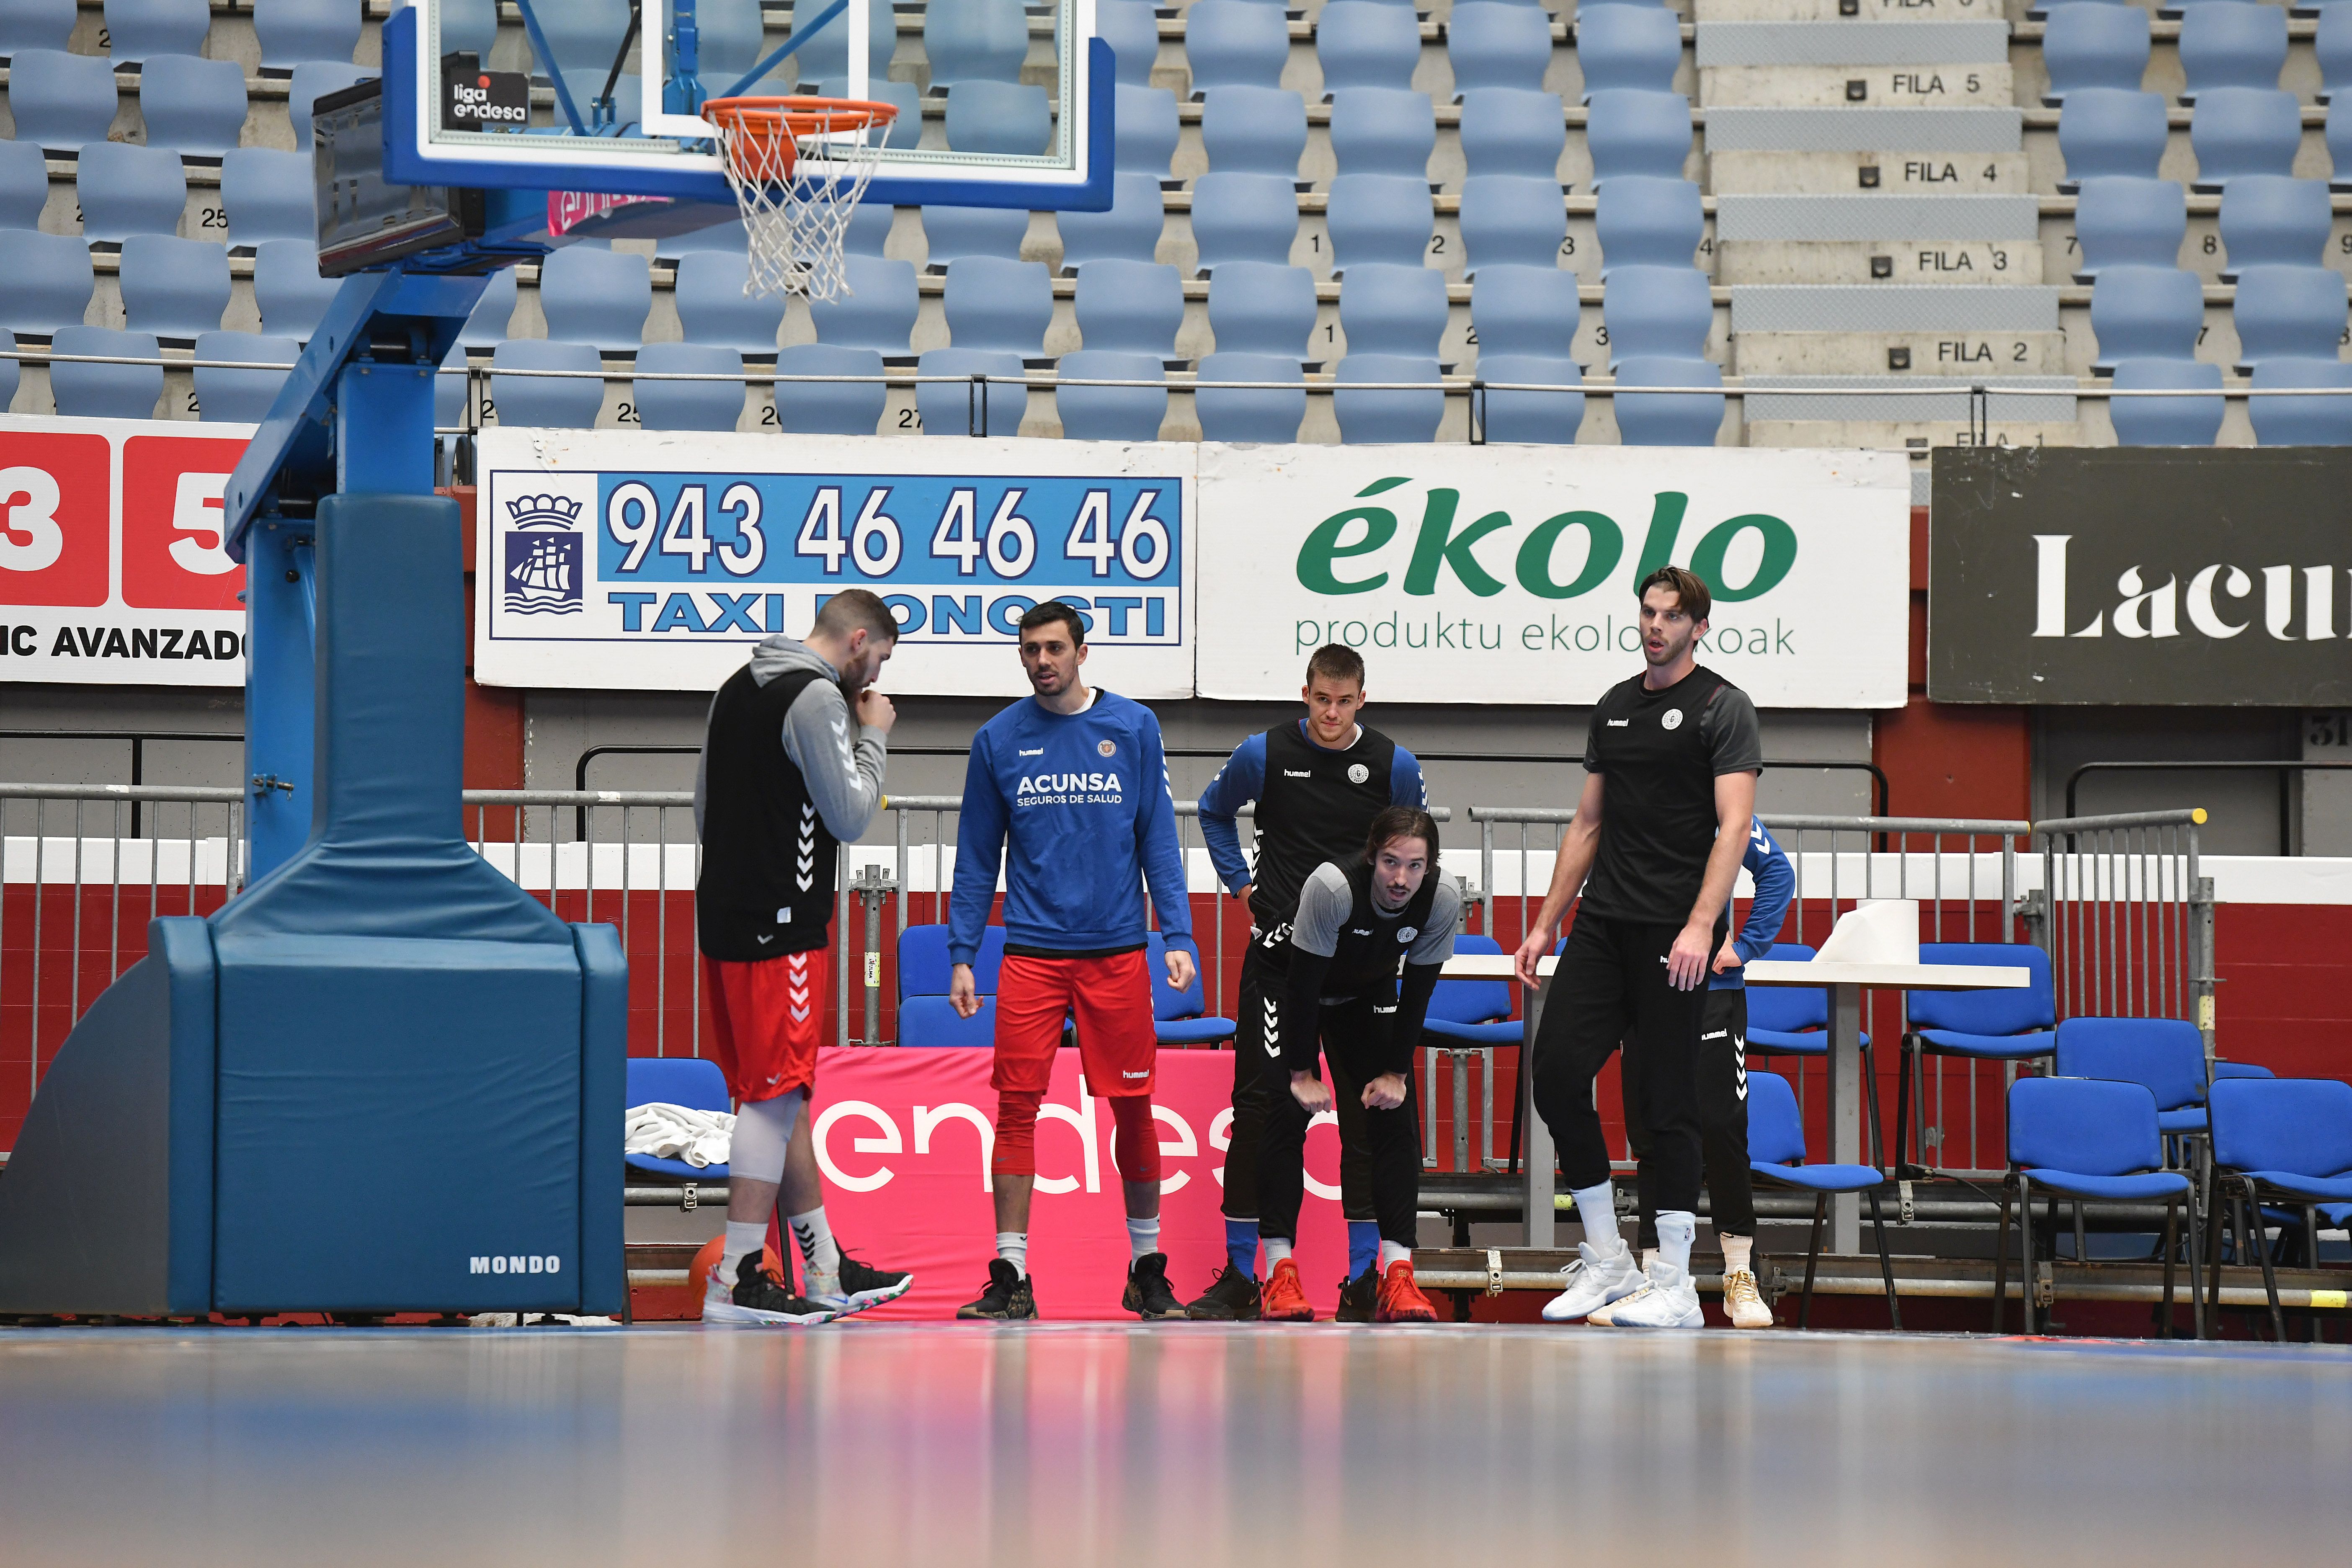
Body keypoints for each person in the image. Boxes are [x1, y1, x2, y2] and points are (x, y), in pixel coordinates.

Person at [1512, 565, 1763, 1331]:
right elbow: (1587, 824)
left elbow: (1733, 828)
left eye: (1670, 615)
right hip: (1602, 923)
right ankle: (1608, 1259)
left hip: (1673, 930)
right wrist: (1545, 920)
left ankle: (1679, 1285)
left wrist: (1701, 924)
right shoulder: (1614, 707)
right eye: (1648, 613)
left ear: (1698, 626)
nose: (1654, 625)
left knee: (1666, 1104)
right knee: (1555, 1074)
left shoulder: (1725, 709)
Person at [947, 601, 1201, 1322]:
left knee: (1135, 1106)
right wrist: (964, 951)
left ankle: (1147, 1267)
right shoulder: (998, 739)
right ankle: (1010, 1273)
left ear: (1082, 652)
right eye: (1029, 649)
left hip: (1117, 952)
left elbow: (1157, 837)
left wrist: (1177, 934)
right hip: (1029, 952)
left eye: (1054, 648)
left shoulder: (1133, 727)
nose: (1041, 660)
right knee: (1016, 1108)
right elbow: (975, 856)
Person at [1186, 644, 1429, 1323]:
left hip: (1360, 968)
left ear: (1361, 699)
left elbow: (1414, 844)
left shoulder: (1393, 764)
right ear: (1305, 692)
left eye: (1343, 700)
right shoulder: (1261, 754)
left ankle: (1362, 1279)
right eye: (1320, 698)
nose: (1329, 712)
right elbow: (1212, 811)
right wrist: (1244, 887)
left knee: (1372, 1114)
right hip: (1280, 963)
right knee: (1265, 1110)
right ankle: (1246, 1275)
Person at [695, 589, 918, 1326]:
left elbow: (702, 808)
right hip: (781, 923)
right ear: (859, 640)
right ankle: (737, 1274)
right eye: (880, 657)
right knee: (769, 1098)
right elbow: (851, 812)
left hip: (724, 915)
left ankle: (823, 1264)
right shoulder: (819, 697)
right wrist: (874, 735)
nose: (877, 677)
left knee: (780, 1093)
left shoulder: (734, 685)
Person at [1256, 807, 1457, 1323]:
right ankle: (1280, 1274)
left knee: (1392, 1114)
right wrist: (1302, 1073)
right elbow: (1302, 987)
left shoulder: (1442, 898)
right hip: (1289, 981)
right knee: (1283, 1107)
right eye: (1391, 862)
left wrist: (1397, 1073)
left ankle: (1397, 1274)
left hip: (1364, 991)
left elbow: (1417, 994)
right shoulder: (1334, 888)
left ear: (1430, 868)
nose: (1400, 878)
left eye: (1415, 866)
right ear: (1373, 856)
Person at [1589, 819, 1792, 1330]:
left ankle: (1738, 1277)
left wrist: (1744, 947)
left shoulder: (1726, 812)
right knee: (1653, 1134)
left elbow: (1778, 873)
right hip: (1644, 995)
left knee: (1722, 1129)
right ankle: (1655, 1279)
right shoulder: (1632, 805)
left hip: (1713, 994)